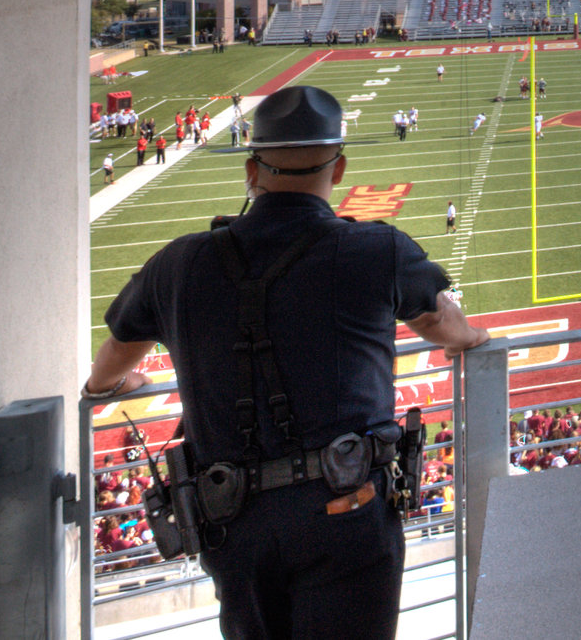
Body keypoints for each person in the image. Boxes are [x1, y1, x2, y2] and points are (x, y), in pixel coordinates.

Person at [81, 85, 488, 638]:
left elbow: (114, 355)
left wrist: (115, 382)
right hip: (347, 509)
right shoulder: (377, 250)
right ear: (338, 168)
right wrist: (475, 337)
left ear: (253, 171)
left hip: (231, 519)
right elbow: (445, 323)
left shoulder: (178, 262)